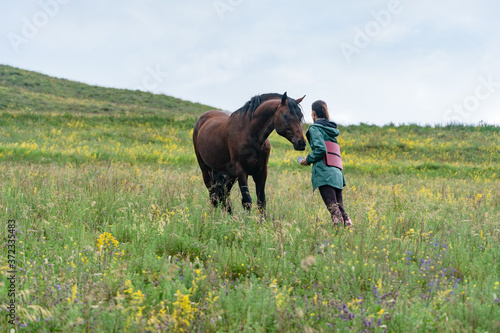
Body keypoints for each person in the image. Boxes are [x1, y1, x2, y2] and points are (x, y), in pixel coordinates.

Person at [300, 100, 352, 227]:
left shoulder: (315, 128)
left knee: (333, 209)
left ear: (313, 113)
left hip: (325, 172)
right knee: (341, 209)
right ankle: (348, 232)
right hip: (337, 172)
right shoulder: (330, 128)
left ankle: (338, 234)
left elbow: (321, 149)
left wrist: (308, 159)